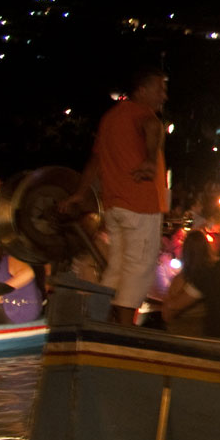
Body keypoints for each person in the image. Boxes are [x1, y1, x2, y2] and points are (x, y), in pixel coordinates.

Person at [61, 67, 170, 326]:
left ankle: (100, 321)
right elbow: (153, 126)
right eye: (160, 89)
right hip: (140, 205)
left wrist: (79, 193)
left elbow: (95, 160)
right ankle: (123, 330)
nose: (164, 95)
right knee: (138, 269)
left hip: (114, 206)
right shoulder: (144, 114)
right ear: (141, 91)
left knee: (117, 266)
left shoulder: (110, 118)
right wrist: (151, 160)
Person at [162, 230, 215, 337]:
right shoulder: (214, 276)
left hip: (181, 333)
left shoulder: (180, 280)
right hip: (206, 333)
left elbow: (167, 315)